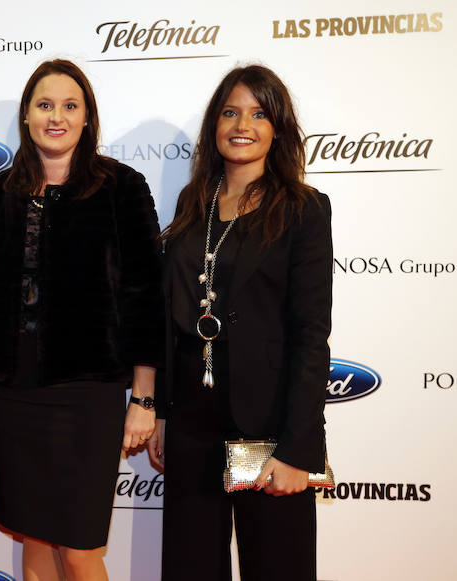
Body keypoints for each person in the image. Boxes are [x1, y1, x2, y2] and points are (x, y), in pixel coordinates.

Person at [0, 59, 164, 581]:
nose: (57, 116)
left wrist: (144, 398)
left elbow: (147, 295)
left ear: (87, 118)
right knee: (33, 541)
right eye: (45, 104)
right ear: (27, 116)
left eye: (69, 105)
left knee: (80, 549)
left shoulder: (121, 187)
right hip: (13, 394)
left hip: (87, 395)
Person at [147, 64, 333, 580]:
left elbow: (310, 335)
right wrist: (163, 412)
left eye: (258, 112)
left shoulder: (303, 210)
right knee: (190, 568)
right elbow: (170, 321)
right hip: (191, 422)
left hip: (268, 426)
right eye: (230, 112)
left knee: (278, 567)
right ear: (214, 126)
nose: (242, 124)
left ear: (278, 128)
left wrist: (299, 449)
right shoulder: (192, 205)